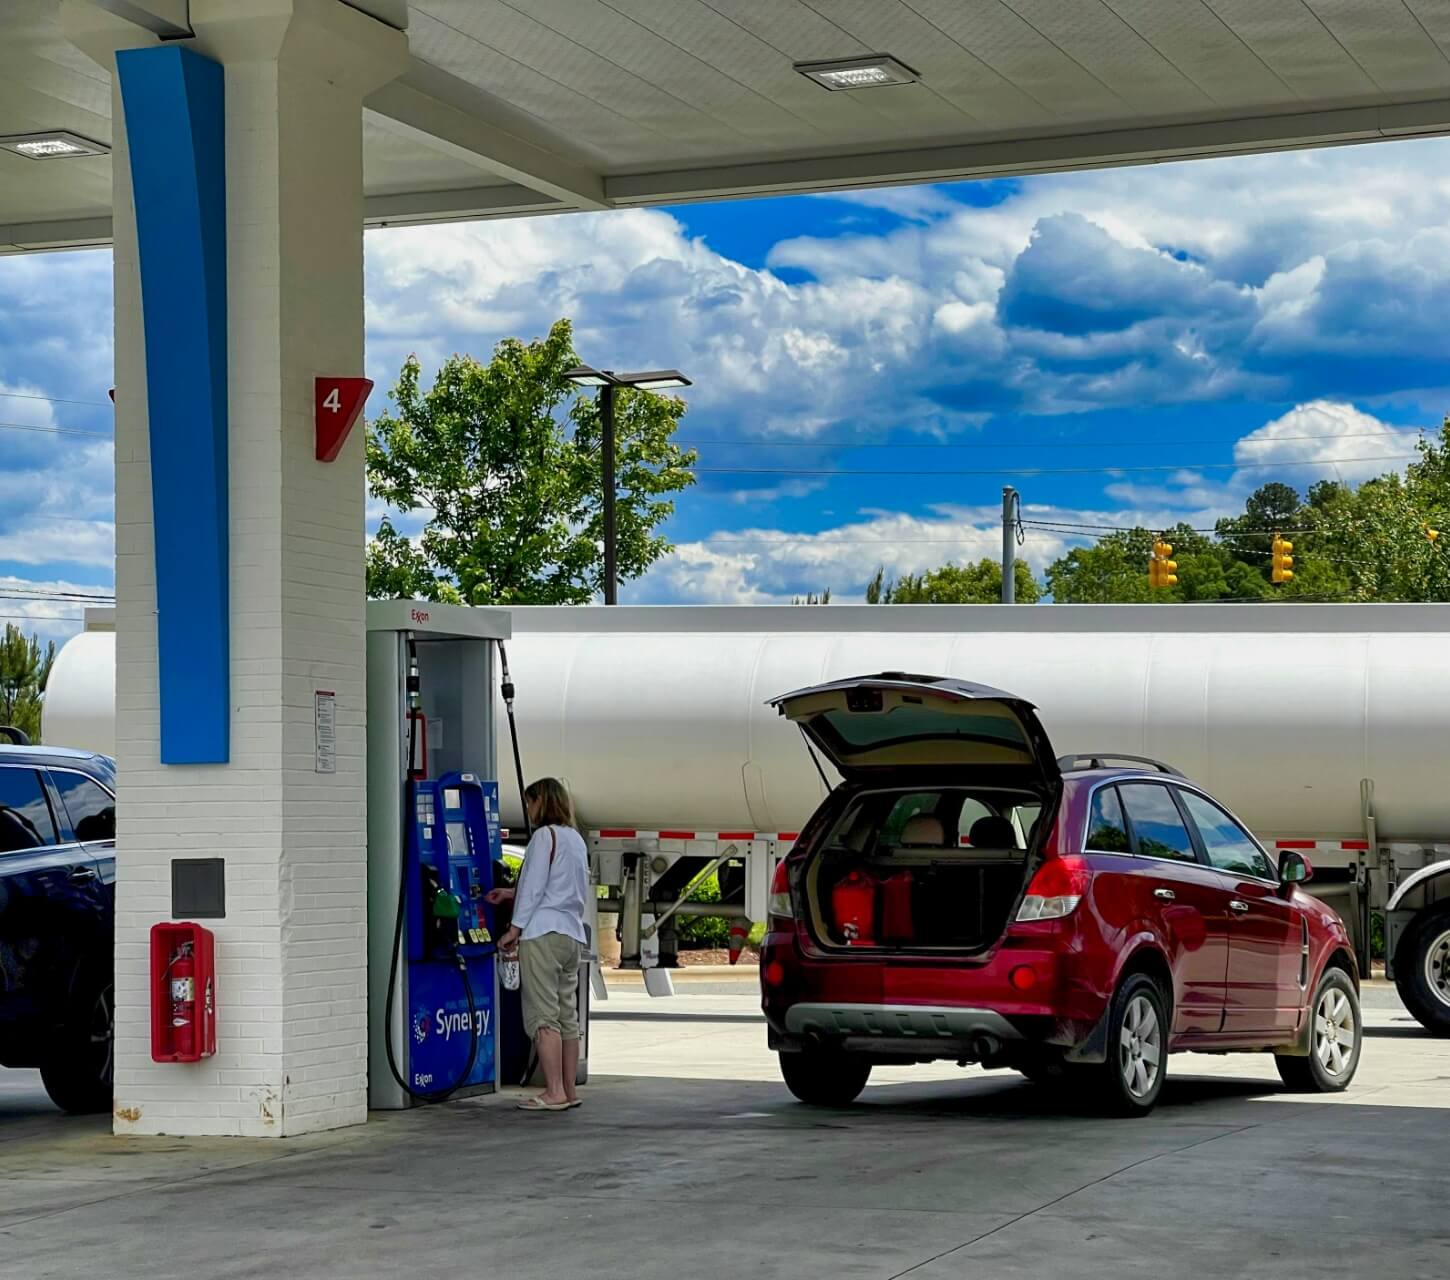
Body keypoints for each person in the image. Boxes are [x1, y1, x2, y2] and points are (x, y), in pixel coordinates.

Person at [487, 777, 588, 1112]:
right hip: (570, 935)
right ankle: (569, 1090)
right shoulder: (575, 839)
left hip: (542, 933)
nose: (528, 809)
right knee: (566, 1015)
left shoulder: (544, 837)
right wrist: (511, 893)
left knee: (543, 1017)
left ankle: (553, 1092)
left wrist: (513, 929)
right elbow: (561, 887)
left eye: (530, 802)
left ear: (541, 803)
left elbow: (534, 887)